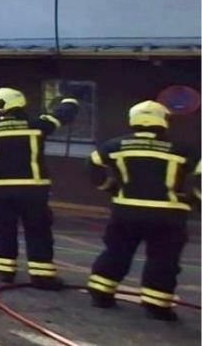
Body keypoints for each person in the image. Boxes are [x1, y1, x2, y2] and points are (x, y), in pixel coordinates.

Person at [86, 101, 200, 321]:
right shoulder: (183, 149)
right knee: (163, 259)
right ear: (163, 121)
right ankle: (156, 306)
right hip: (168, 214)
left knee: (116, 252)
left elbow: (92, 163)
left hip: (126, 211)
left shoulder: (115, 145)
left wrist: (108, 187)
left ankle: (101, 294)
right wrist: (195, 199)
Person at [0, 87, 79, 290]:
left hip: (1, 190)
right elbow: (63, 116)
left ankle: (5, 272)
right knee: (38, 231)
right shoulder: (37, 125)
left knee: (4, 230)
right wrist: (70, 99)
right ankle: (42, 276)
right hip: (34, 190)